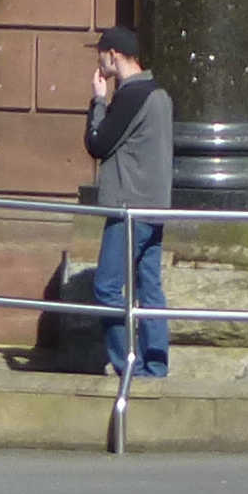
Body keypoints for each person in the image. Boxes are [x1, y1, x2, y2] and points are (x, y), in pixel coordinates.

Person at [80, 24, 172, 380]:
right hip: (154, 206)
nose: (99, 61)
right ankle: (155, 365)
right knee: (149, 288)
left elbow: (98, 145)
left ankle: (128, 364)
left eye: (100, 54)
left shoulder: (132, 96)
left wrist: (98, 101)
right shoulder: (160, 94)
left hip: (129, 209)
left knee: (106, 287)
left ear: (113, 56)